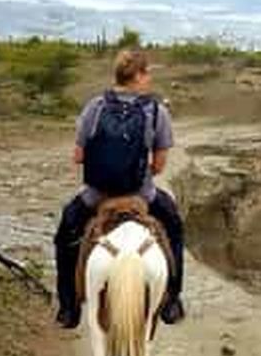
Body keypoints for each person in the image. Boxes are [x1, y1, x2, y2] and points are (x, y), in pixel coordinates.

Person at [53, 48, 185, 328]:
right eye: (146, 73)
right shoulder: (156, 111)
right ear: (137, 75)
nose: (148, 78)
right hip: (142, 195)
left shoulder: (95, 107)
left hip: (95, 195)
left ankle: (68, 307)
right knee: (173, 227)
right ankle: (172, 300)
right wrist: (136, 174)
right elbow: (160, 165)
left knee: (65, 234)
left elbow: (77, 156)